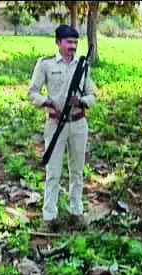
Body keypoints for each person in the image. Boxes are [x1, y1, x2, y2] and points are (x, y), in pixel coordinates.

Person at [28, 25, 96, 231]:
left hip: (78, 123)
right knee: (53, 171)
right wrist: (48, 102)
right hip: (55, 123)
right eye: (68, 42)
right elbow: (32, 93)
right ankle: (49, 217)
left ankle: (76, 211)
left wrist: (81, 100)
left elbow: (93, 96)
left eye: (75, 43)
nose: (72, 47)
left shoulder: (82, 66)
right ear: (58, 43)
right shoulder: (45, 64)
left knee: (77, 171)